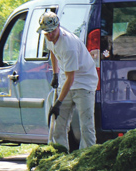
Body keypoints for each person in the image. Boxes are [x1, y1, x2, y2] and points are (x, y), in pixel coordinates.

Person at [39, 12, 98, 150]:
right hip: (66, 81)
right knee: (58, 125)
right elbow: (52, 51)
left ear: (58, 26)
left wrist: (58, 103)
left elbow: (71, 78)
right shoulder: (49, 36)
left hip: (84, 82)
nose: (49, 35)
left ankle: (87, 158)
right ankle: (60, 157)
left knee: (86, 126)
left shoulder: (68, 46)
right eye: (46, 33)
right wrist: (55, 73)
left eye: (52, 32)